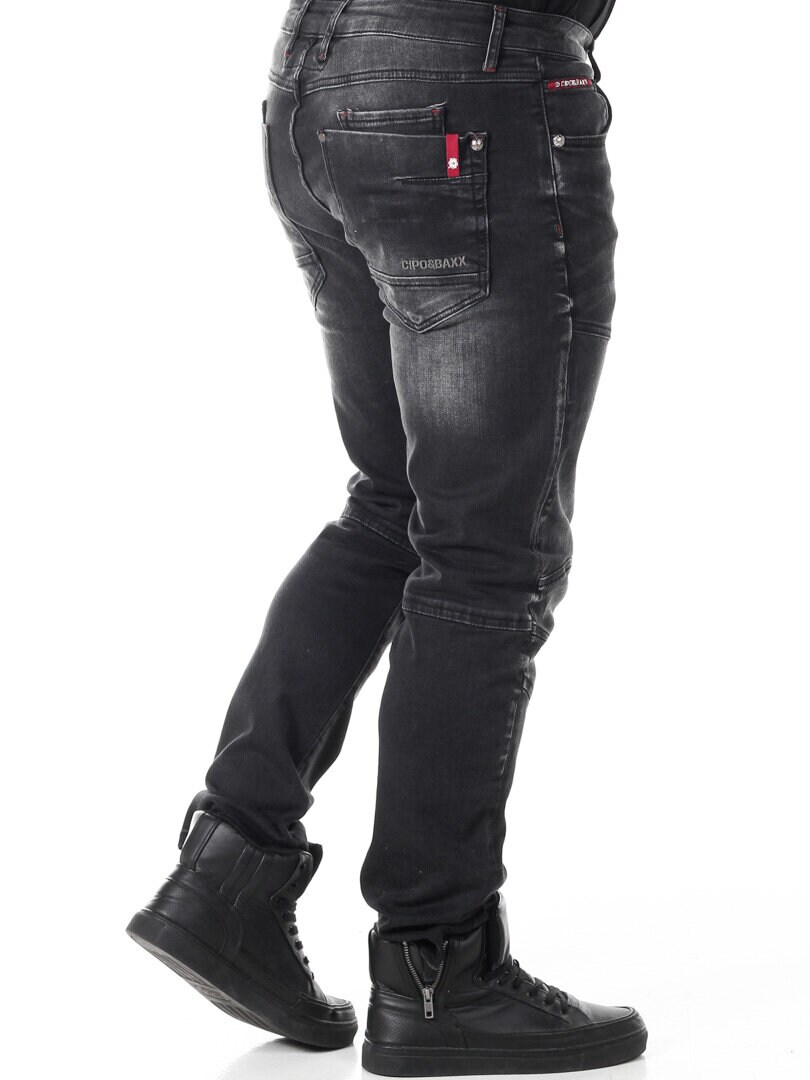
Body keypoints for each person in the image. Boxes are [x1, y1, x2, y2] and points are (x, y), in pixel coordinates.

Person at [127, 0, 647, 1073]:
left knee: (399, 506)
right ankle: (438, 966)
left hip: (323, 78)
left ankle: (228, 869)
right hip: (474, 86)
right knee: (488, 552)